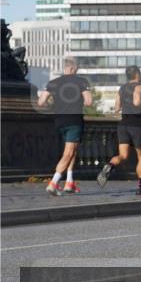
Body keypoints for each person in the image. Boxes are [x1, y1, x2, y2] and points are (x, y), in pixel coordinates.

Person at [96, 65, 141, 195]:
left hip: (123, 125)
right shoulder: (139, 86)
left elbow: (117, 108)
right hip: (137, 124)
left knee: (123, 156)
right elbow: (136, 102)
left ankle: (110, 166)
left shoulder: (122, 88)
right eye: (140, 73)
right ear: (137, 74)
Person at [37, 57, 93, 196]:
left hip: (59, 121)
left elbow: (41, 102)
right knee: (68, 153)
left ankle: (69, 181)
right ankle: (53, 183)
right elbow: (88, 102)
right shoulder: (81, 81)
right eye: (77, 69)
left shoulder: (53, 82)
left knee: (72, 150)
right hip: (74, 120)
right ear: (73, 68)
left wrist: (55, 105)